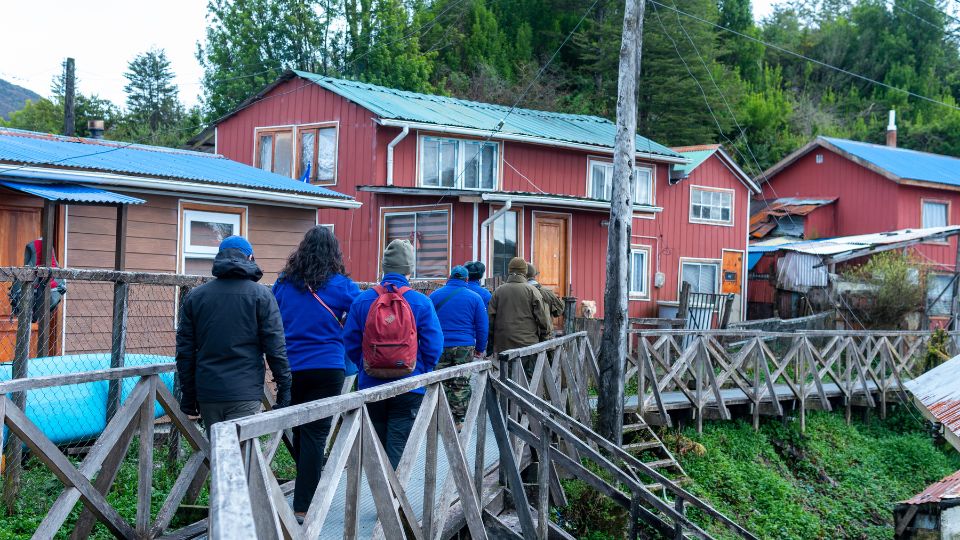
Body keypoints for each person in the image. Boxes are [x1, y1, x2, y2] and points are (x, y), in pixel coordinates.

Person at [272, 225, 360, 518]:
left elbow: (273, 319)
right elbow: (361, 314)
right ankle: (304, 505)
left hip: (291, 366)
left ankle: (307, 489)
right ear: (334, 252)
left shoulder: (284, 284)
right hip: (328, 366)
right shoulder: (342, 286)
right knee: (315, 434)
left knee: (299, 430)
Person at [175, 236, 291, 438]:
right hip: (245, 391)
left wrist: (188, 394)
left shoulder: (196, 297)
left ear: (219, 258)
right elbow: (276, 348)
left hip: (209, 392)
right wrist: (285, 386)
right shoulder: (262, 296)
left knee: (219, 457)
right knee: (241, 458)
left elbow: (185, 352)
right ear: (250, 257)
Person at [343, 240, 443, 468]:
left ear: (384, 268)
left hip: (371, 383)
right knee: (399, 445)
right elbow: (434, 344)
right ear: (409, 270)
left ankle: (380, 497)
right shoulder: (421, 302)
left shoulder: (362, 300)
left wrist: (365, 365)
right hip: (410, 384)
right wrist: (421, 371)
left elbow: (349, 340)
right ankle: (394, 500)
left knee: (374, 444)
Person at [430, 265, 488, 427]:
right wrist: (480, 348)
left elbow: (427, 322)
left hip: (440, 345)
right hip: (465, 346)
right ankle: (457, 421)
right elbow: (482, 326)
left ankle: (438, 418)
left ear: (449, 278)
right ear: (467, 280)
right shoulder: (475, 297)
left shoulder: (434, 296)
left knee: (438, 381)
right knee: (460, 383)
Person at [487, 257, 551, 378]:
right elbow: (543, 319)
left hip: (504, 344)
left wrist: (491, 344)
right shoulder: (532, 291)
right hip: (528, 344)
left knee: (506, 379)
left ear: (509, 270)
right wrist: (544, 338)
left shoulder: (498, 291)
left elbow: (490, 320)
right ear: (525, 272)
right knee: (528, 380)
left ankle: (508, 397)